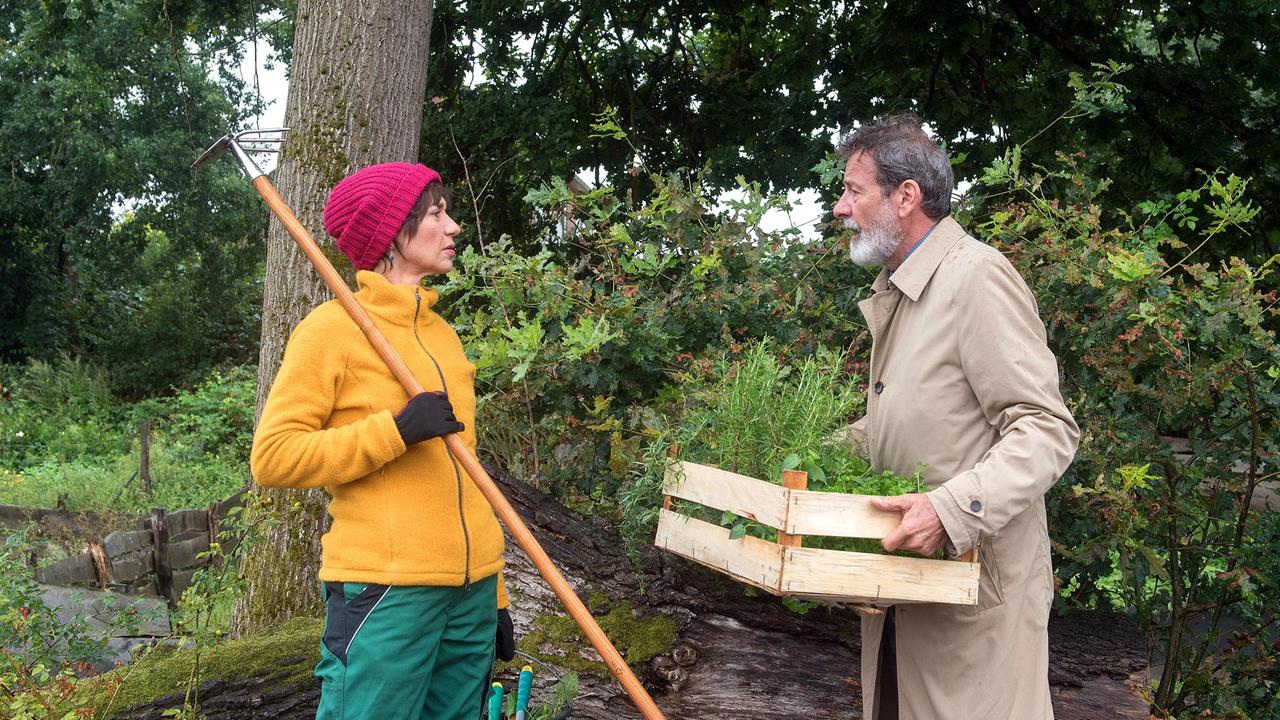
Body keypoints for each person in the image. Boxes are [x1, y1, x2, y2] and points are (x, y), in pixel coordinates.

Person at [834, 115, 1079, 719]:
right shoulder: (903, 287)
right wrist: (796, 460)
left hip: (973, 603)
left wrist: (949, 511)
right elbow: (905, 421)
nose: (841, 208)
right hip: (904, 595)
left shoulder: (975, 277)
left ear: (906, 197)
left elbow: (1046, 428)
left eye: (853, 190)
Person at [250, 162, 515, 720]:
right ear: (393, 231)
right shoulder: (333, 330)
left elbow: (466, 477)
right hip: (387, 593)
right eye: (436, 214)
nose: (453, 227)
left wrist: (494, 597)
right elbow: (273, 457)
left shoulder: (444, 336)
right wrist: (394, 432)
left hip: (469, 594)